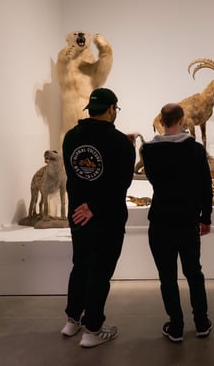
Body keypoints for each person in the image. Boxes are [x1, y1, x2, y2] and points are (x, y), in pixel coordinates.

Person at [60, 87, 136, 348]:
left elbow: (75, 176)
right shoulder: (120, 144)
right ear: (112, 109)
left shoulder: (70, 137)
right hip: (107, 217)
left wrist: (83, 205)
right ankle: (92, 328)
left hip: (77, 215)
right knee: (100, 272)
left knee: (80, 264)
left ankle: (72, 320)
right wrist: (94, 206)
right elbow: (120, 183)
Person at [141, 103, 213, 343]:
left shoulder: (148, 151)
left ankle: (177, 326)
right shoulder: (195, 149)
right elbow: (205, 186)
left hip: (160, 220)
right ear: (182, 121)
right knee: (194, 272)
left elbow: (153, 180)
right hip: (187, 220)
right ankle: (201, 323)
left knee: (167, 276)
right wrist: (206, 218)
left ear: (161, 121)